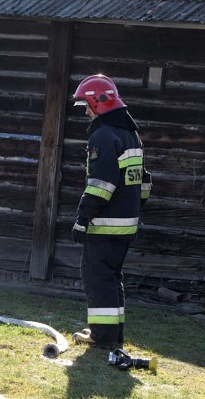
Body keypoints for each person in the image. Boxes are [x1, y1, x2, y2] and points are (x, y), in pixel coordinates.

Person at [70, 74, 152, 350]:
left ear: (98, 103)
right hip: (126, 226)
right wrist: (131, 209)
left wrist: (82, 218)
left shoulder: (103, 136)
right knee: (112, 278)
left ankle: (102, 337)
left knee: (97, 279)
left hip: (104, 226)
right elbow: (145, 182)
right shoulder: (130, 134)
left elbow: (100, 185)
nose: (86, 113)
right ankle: (113, 334)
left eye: (86, 106)